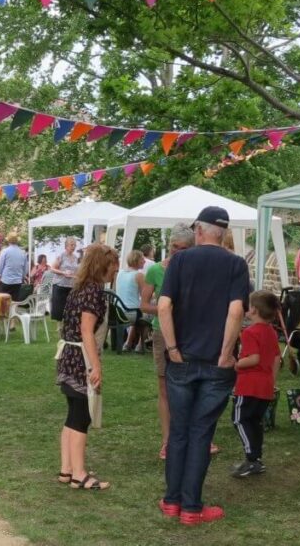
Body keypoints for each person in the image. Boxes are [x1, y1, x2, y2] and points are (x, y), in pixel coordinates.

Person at [158, 206, 250, 526]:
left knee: (179, 432)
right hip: (216, 364)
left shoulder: (180, 260)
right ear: (222, 233)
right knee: (200, 433)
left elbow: (164, 305)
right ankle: (192, 508)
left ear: (199, 231)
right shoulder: (236, 265)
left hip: (182, 361)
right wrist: (226, 353)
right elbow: (236, 312)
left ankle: (172, 502)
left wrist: (172, 348)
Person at [55, 243, 119, 491]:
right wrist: (95, 366)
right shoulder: (94, 292)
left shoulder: (78, 289)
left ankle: (67, 469)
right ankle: (79, 474)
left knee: (73, 413)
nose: (115, 271)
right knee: (81, 415)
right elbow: (87, 332)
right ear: (104, 266)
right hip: (79, 357)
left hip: (68, 354)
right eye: (113, 266)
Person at [141, 224, 195, 460]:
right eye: (175, 246)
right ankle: (167, 441)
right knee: (164, 386)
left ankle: (195, 437)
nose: (178, 251)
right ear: (168, 245)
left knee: (192, 384)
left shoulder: (195, 270)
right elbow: (143, 305)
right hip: (162, 332)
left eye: (183, 248)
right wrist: (164, 311)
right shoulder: (155, 270)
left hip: (189, 333)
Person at [230, 291, 281, 479]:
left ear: (253, 310)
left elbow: (253, 358)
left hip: (249, 386)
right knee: (255, 422)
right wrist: (271, 380)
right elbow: (276, 358)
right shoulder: (271, 332)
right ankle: (256, 459)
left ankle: (251, 459)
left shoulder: (250, 332)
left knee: (240, 419)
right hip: (265, 386)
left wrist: (236, 363)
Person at [115, 250, 146, 352]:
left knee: (138, 310)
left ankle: (129, 343)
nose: (144, 261)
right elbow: (145, 296)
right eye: (142, 259)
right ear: (137, 260)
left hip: (117, 311)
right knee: (148, 314)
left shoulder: (120, 273)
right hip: (130, 313)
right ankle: (140, 345)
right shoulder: (139, 275)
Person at [49, 237, 80, 323]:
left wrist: (76, 276)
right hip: (60, 285)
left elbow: (76, 272)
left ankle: (67, 328)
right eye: (71, 245)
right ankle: (60, 330)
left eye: (74, 245)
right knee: (59, 311)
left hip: (71, 286)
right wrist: (63, 272)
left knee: (70, 310)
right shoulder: (61, 256)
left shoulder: (75, 258)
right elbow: (52, 269)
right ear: (66, 246)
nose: (73, 247)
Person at [0, 232, 28, 302]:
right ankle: (12, 312)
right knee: (14, 302)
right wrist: (22, 277)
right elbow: (25, 269)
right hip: (17, 281)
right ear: (17, 241)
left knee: (3, 302)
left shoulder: (5, 251)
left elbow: (0, 266)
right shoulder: (23, 253)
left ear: (8, 241)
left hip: (6, 280)